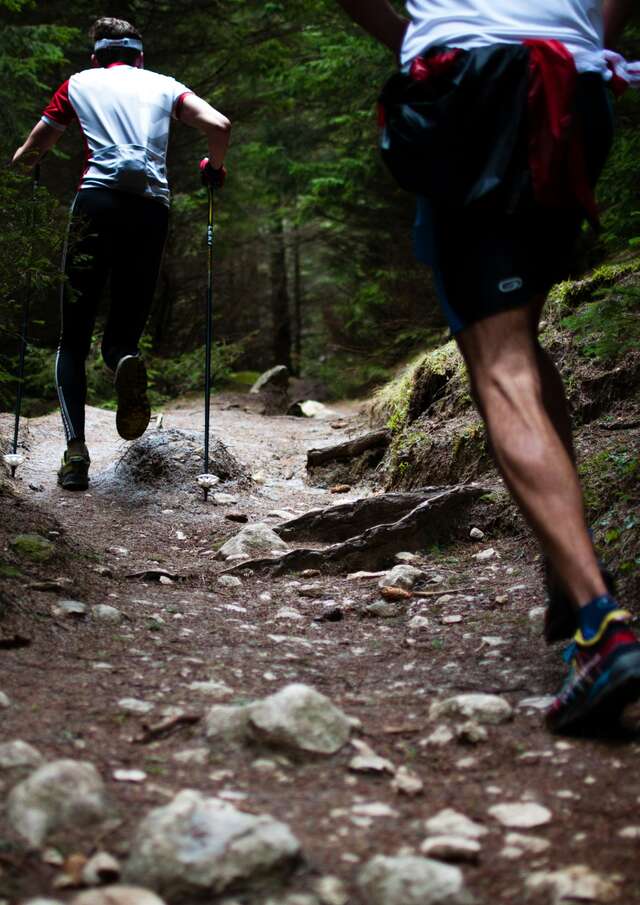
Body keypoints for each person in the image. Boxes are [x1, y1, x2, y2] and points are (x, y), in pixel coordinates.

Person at [336, 0, 640, 734]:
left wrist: (413, 37)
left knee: (500, 364)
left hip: (468, 79)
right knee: (521, 343)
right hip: (573, 83)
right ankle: (574, 580)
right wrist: (593, 39)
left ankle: (602, 627)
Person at [11, 16, 231, 490]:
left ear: (96, 57)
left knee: (72, 339)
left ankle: (74, 456)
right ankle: (123, 362)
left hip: (96, 204)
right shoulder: (165, 85)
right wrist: (214, 166)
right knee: (123, 336)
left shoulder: (78, 84)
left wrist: (25, 164)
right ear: (140, 57)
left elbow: (37, 145)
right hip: (151, 209)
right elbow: (219, 124)